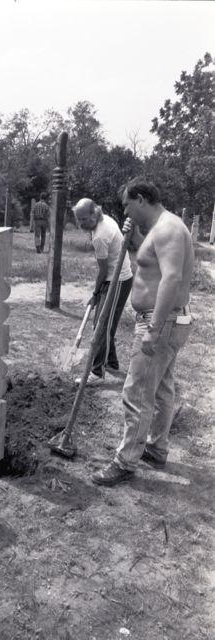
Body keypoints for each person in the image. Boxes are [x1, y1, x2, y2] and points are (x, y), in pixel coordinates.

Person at [92, 177, 194, 486]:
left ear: (140, 200)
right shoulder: (161, 228)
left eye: (126, 204)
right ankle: (155, 448)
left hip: (160, 322)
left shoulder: (168, 229)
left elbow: (171, 279)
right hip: (167, 321)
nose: (124, 209)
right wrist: (135, 236)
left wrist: (152, 329)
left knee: (136, 392)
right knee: (161, 388)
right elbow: (150, 263)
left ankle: (126, 461)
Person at [74, 198, 133, 386]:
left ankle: (97, 373)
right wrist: (98, 293)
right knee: (105, 324)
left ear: (94, 213)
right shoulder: (104, 218)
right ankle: (112, 363)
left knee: (101, 325)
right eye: (79, 220)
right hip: (117, 277)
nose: (82, 223)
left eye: (84, 219)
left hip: (117, 280)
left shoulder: (100, 235)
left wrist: (95, 293)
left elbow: (103, 271)